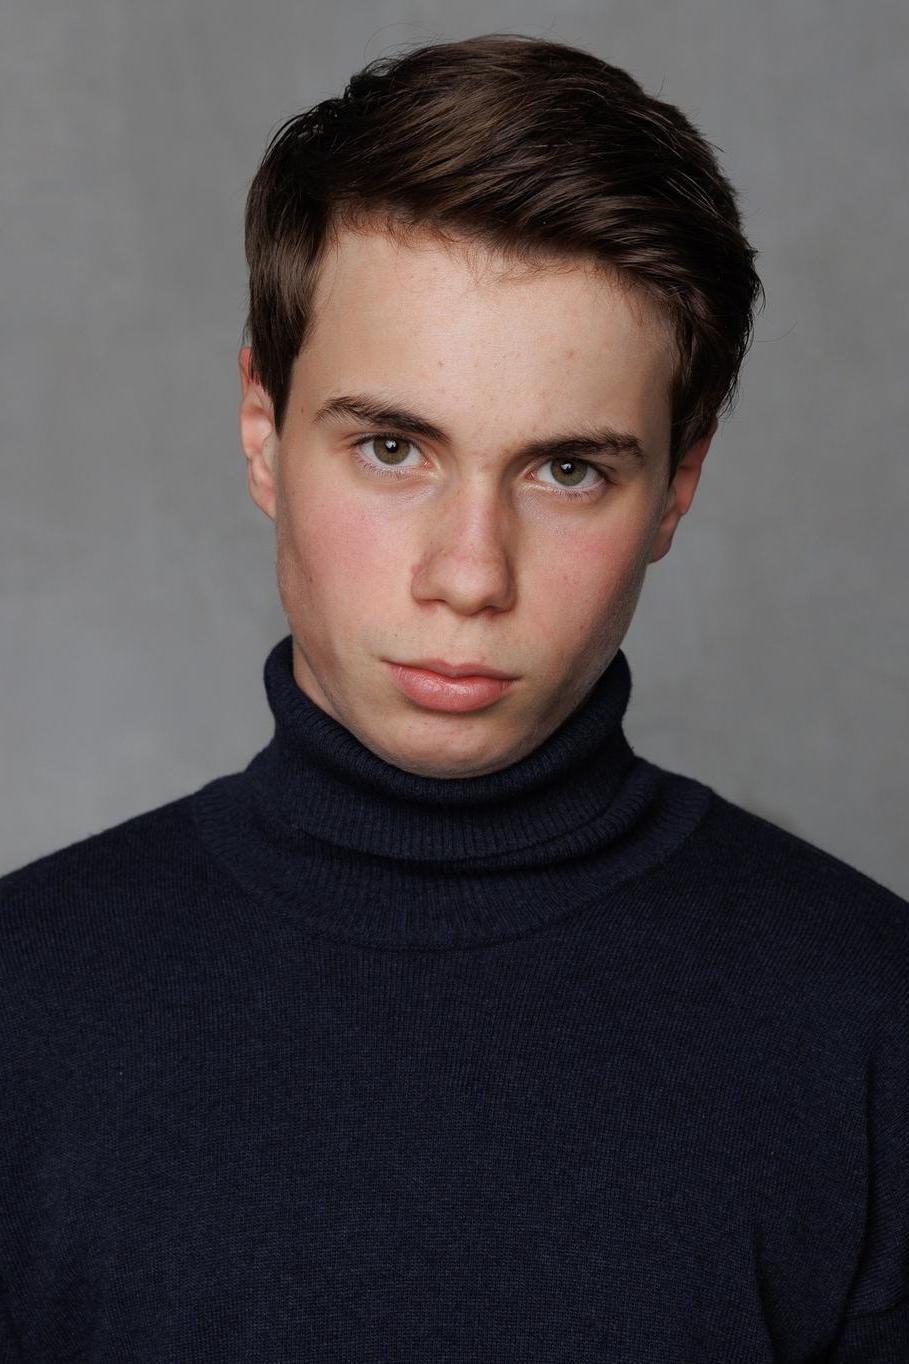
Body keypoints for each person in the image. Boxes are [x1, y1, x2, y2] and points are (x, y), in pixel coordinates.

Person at [1, 32, 906, 1362]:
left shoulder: (872, 1025)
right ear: (262, 431)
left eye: (566, 471)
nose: (469, 575)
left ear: (678, 485)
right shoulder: (22, 1006)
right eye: (391, 447)